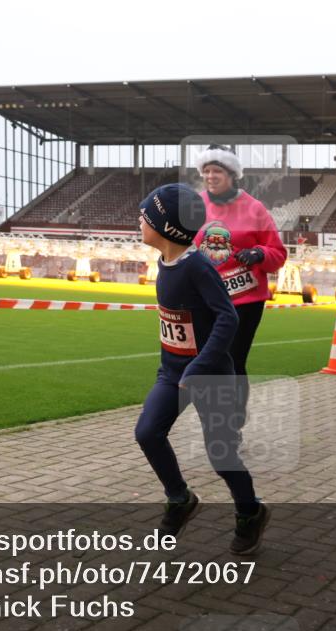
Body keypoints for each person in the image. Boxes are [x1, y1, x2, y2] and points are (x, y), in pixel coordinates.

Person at [133, 183, 270, 556]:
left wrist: (199, 364)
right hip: (172, 374)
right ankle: (179, 498)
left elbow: (228, 318)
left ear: (165, 227)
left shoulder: (197, 267)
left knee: (221, 455)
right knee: (147, 432)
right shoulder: (165, 263)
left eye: (145, 216)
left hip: (209, 375)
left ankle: (250, 512)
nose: (139, 221)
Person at [192, 145, 287, 433]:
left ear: (232, 174)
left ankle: (232, 421)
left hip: (245, 300)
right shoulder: (195, 205)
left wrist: (259, 253)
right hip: (207, 299)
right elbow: (184, 246)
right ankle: (216, 418)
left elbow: (278, 253)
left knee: (233, 359)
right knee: (208, 361)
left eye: (217, 171)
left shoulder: (254, 208)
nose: (210, 176)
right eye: (206, 171)